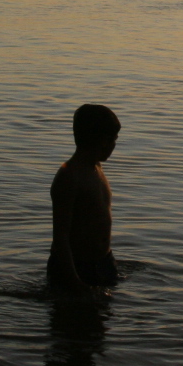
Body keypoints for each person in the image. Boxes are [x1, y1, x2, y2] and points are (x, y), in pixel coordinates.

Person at [48, 104, 120, 297]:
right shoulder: (69, 176)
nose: (115, 145)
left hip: (104, 262)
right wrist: (74, 281)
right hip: (78, 268)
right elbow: (61, 236)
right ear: (103, 141)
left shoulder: (96, 168)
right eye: (113, 139)